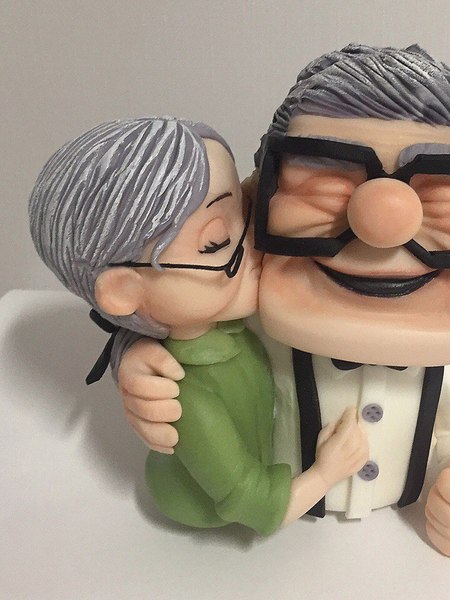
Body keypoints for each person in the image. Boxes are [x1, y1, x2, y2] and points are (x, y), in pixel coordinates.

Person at [114, 45, 450, 558]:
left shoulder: (443, 370)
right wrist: (135, 348)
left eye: (441, 194)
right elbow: (171, 303)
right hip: (275, 548)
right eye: (329, 186)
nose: (383, 224)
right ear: (255, 203)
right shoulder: (253, 330)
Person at [28, 116, 368, 535]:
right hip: (205, 510)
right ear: (124, 291)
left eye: (244, 210)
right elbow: (253, 501)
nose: (252, 240)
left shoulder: (234, 317)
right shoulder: (187, 395)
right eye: (215, 242)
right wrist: (327, 471)